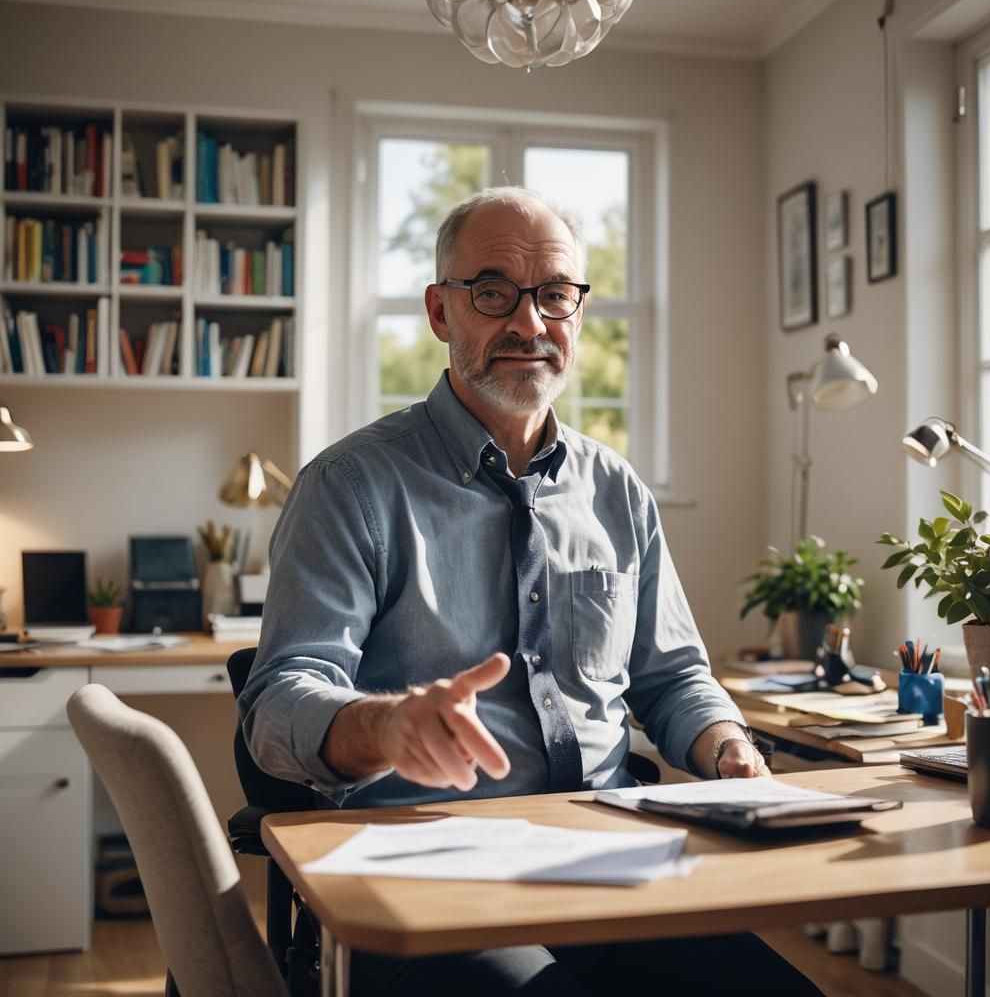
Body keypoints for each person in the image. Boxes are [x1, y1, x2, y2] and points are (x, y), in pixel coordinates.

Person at [239, 187, 822, 996]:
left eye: (553, 295)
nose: (529, 322)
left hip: (616, 866)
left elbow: (672, 677)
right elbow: (277, 705)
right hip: (425, 879)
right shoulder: (350, 487)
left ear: (578, 313)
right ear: (440, 312)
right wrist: (385, 724)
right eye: (492, 292)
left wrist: (726, 745)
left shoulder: (617, 491)